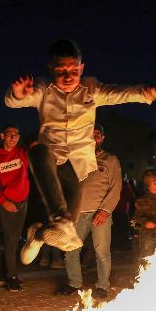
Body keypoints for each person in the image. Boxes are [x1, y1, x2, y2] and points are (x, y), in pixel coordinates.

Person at [5, 39, 156, 264]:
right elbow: (12, 101)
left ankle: (37, 235)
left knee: (68, 235)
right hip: (49, 158)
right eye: (61, 71)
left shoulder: (91, 88)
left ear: (81, 68)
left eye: (73, 71)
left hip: (77, 167)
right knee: (38, 150)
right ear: (51, 70)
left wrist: (144, 93)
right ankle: (55, 222)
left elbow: (118, 93)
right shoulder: (42, 89)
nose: (68, 77)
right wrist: (18, 94)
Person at [58, 124, 121, 299]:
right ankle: (73, 283)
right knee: (71, 250)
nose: (93, 138)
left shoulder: (111, 160)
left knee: (101, 252)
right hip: (77, 213)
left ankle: (102, 285)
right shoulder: (76, 159)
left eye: (97, 135)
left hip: (100, 213)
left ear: (102, 138)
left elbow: (116, 188)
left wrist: (105, 211)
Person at [0, 125, 30, 291]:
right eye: (10, 135)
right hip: (7, 204)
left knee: (14, 241)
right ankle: (12, 277)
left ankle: (2, 275)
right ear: (2, 136)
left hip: (23, 202)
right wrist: (3, 202)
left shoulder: (22, 153)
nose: (13, 138)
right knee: (11, 241)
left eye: (16, 135)